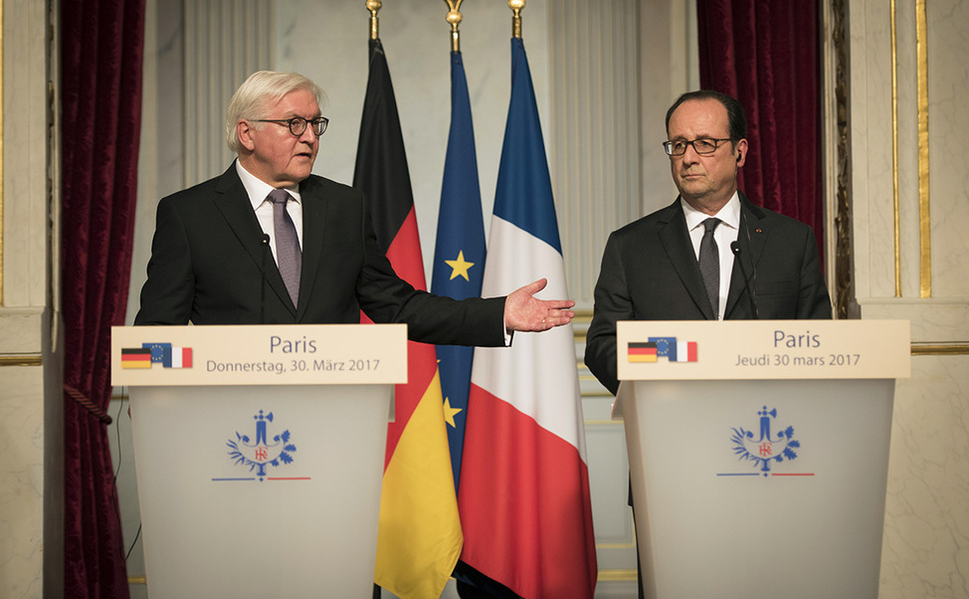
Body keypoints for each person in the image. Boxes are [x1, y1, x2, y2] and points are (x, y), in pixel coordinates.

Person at [135, 70, 573, 341]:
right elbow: (158, 328)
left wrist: (498, 313)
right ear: (247, 134)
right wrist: (155, 396)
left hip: (335, 415)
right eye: (293, 124)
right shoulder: (188, 215)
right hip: (231, 427)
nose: (310, 136)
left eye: (315, 124)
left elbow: (397, 306)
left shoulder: (343, 207)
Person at [585, 89, 832, 393]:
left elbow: (817, 340)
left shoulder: (791, 241)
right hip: (669, 422)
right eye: (678, 145)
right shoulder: (631, 247)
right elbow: (602, 347)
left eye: (705, 144)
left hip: (766, 423)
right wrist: (662, 374)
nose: (688, 158)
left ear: (739, 152)